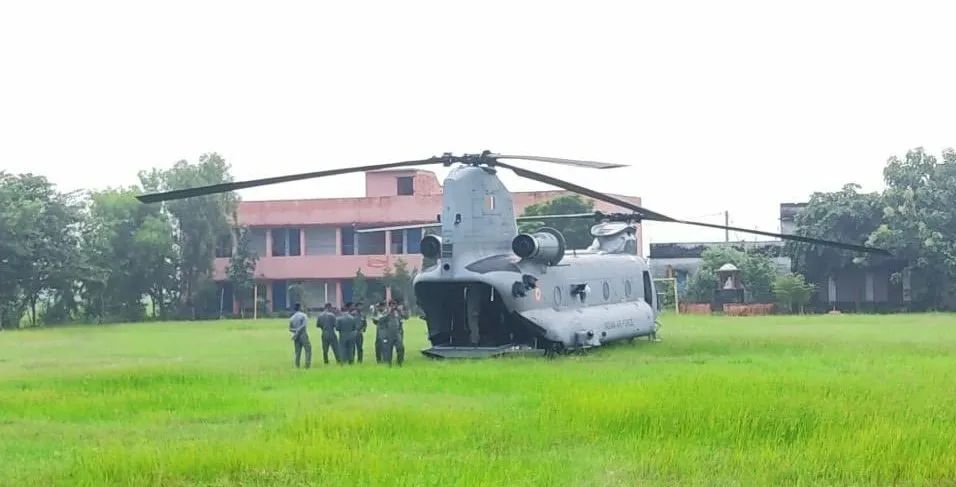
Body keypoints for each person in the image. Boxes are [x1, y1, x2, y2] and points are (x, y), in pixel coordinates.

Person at [379, 300, 409, 366]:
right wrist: (389, 313)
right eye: (391, 305)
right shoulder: (386, 312)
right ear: (389, 306)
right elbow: (381, 321)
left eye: (394, 305)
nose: (393, 306)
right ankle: (389, 363)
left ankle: (399, 362)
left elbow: (406, 317)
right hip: (388, 334)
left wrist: (402, 311)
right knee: (389, 350)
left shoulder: (398, 312)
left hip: (397, 333)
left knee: (400, 348)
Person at [288, 303, 311, 368]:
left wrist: (296, 331)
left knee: (297, 352)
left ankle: (297, 365)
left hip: (296, 336)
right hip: (303, 335)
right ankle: (307, 365)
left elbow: (290, 329)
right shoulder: (304, 315)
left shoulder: (292, 318)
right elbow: (304, 325)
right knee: (308, 349)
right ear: (300, 308)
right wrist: (298, 330)